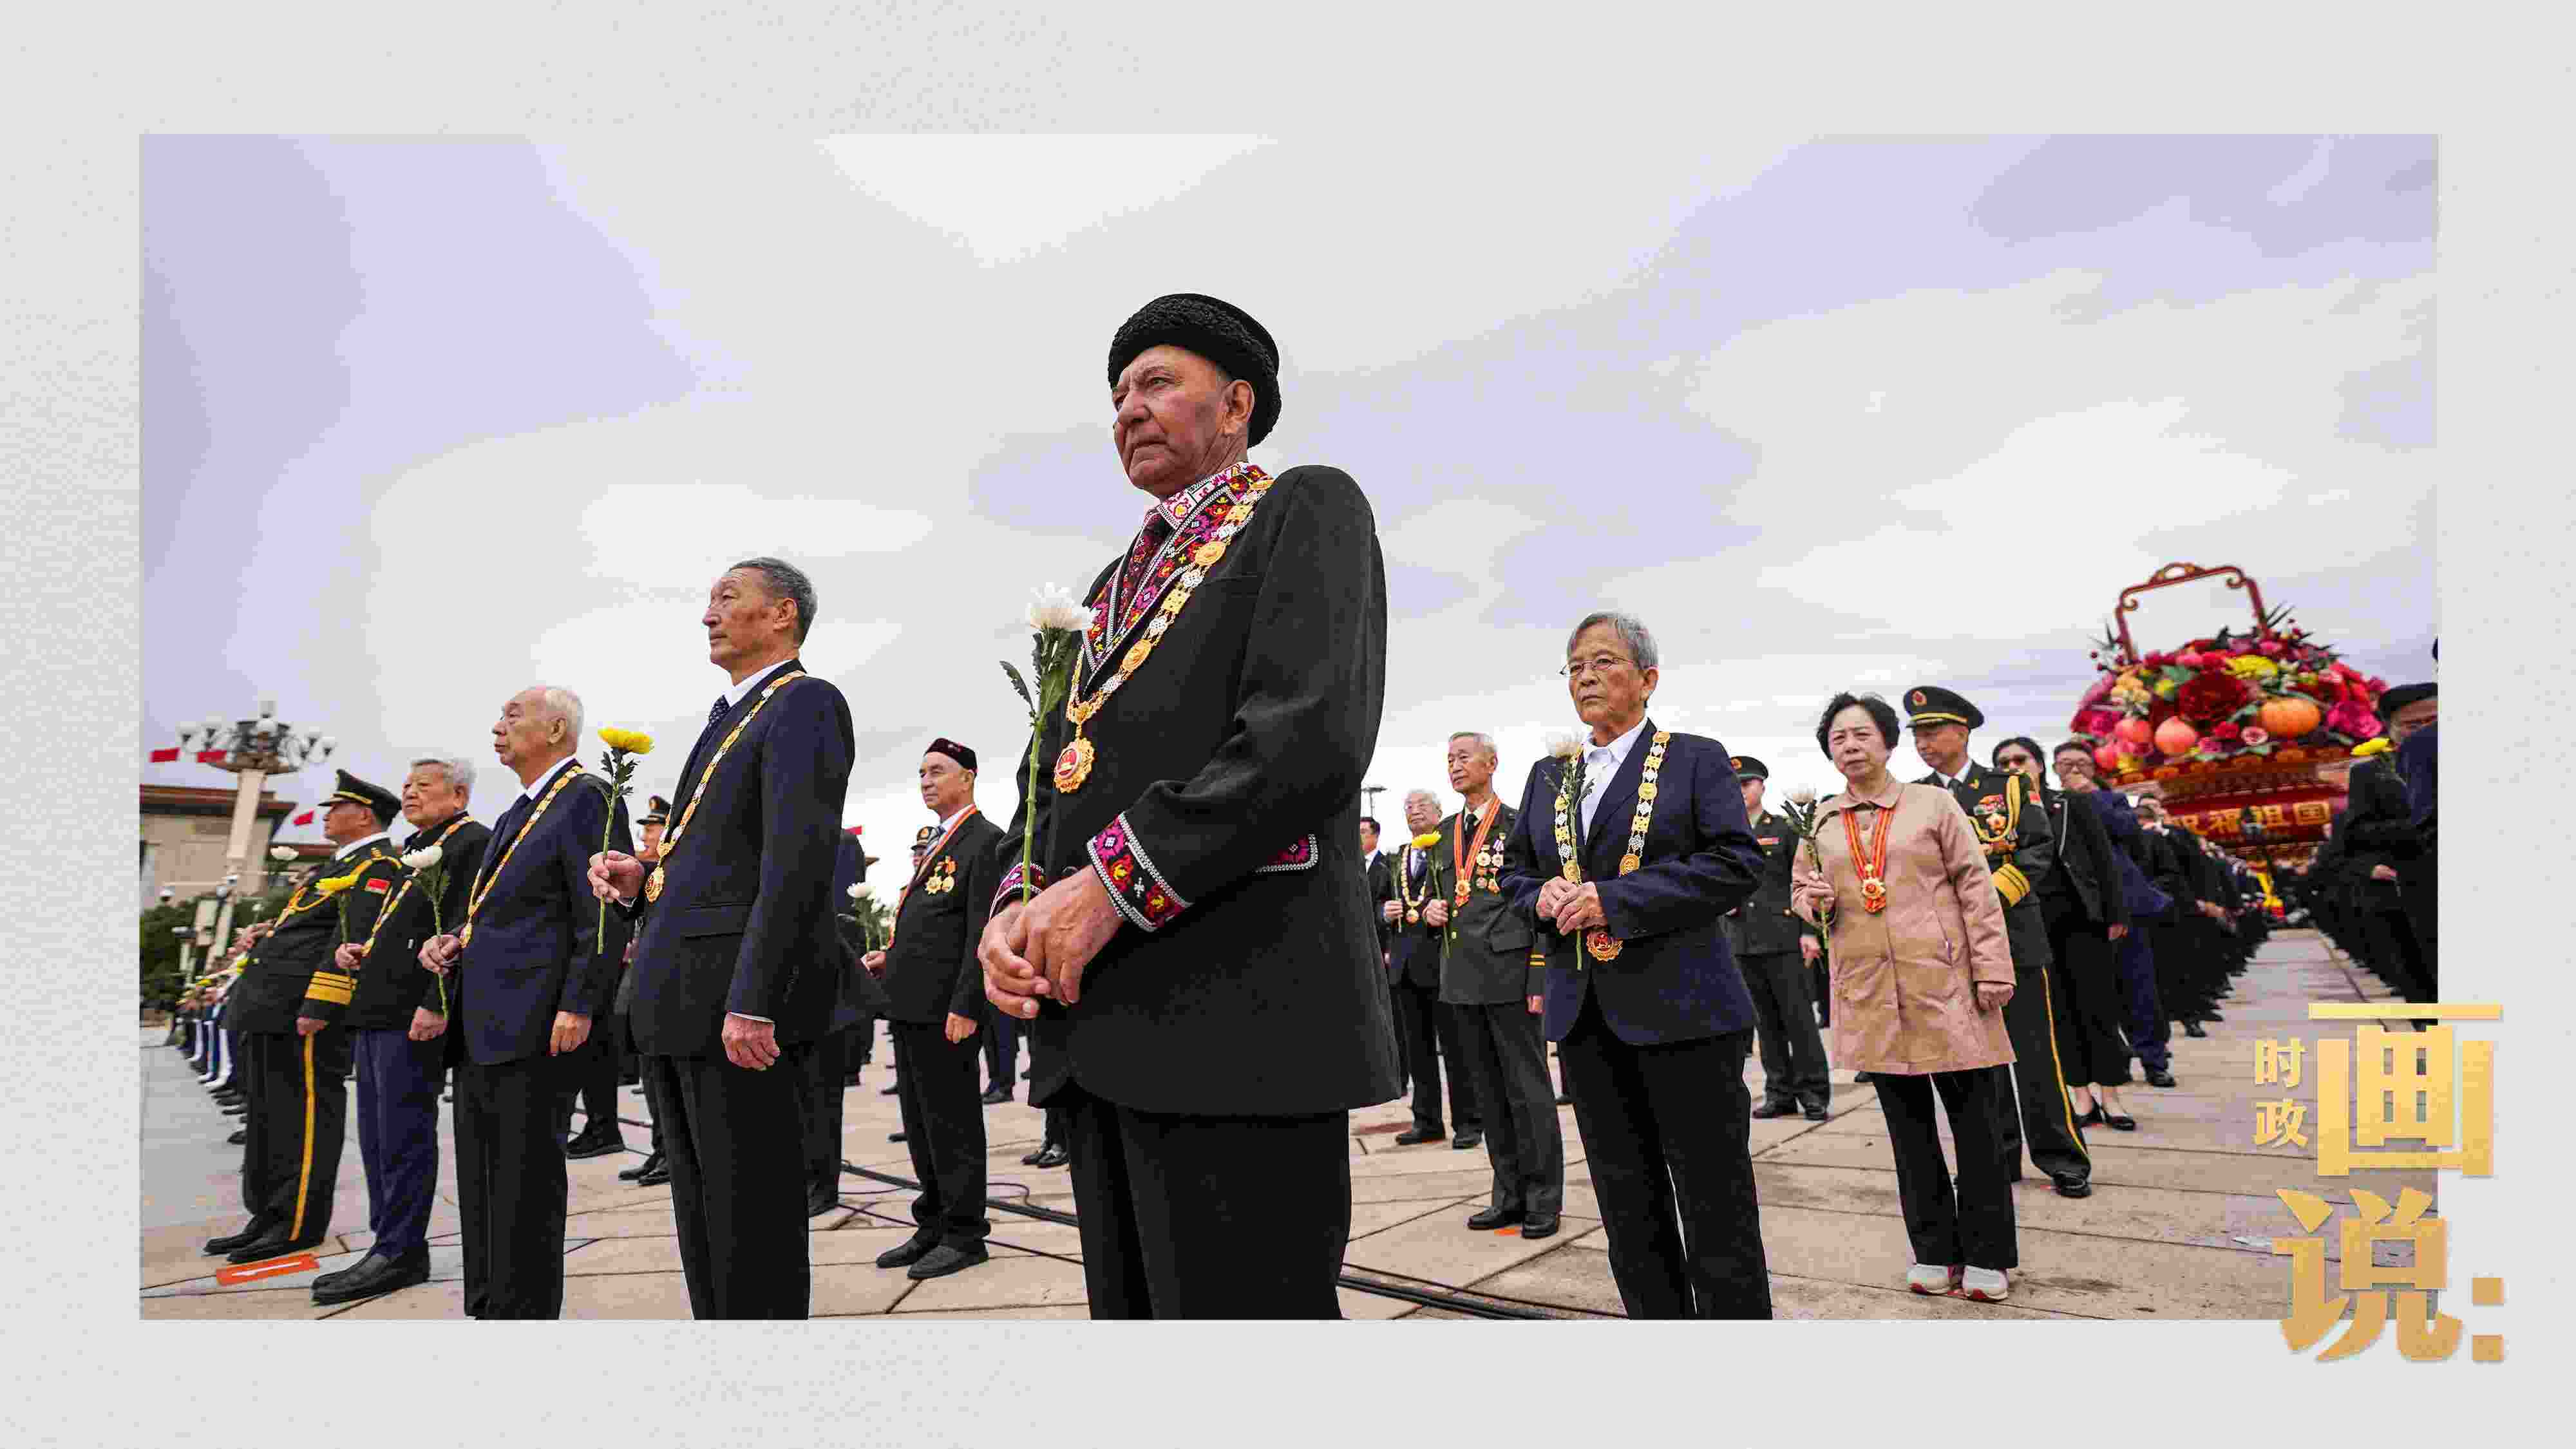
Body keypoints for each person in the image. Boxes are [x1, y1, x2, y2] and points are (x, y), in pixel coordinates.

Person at [979, 292, 1398, 1319]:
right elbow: (1049, 776)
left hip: (1236, 1018)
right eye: (1119, 394)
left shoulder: (1302, 507)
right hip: (1099, 1029)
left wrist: (1107, 888)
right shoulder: (1108, 585)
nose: (1128, 408)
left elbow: (1307, 736)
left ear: (1237, 404)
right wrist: (1017, 906)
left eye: (1157, 382)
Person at [589, 558, 853, 1318]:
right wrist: (642, 880)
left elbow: (795, 864)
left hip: (732, 1008)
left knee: (750, 1222)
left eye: (727, 598)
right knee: (704, 1221)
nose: (708, 614)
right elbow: (720, 859)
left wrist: (755, 1000)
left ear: (782, 614)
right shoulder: (729, 716)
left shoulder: (804, 702)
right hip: (682, 1002)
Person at [1497, 611, 1772, 1318]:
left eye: (1603, 662)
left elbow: (1736, 863)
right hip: (1586, 1017)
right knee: (1626, 1203)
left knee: (1714, 1201)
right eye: (1574, 667)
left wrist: (1614, 900)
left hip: (1685, 1012)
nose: (1585, 678)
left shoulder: (1695, 759)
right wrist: (1540, 895)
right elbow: (1513, 873)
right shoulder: (1549, 775)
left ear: (1648, 679)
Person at [1792, 693, 2021, 1303]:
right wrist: (1812, 902)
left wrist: (1992, 969)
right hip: (1872, 993)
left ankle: (1989, 1256)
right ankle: (1934, 1250)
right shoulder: (1820, 821)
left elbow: (1976, 887)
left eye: (1862, 734)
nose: (1850, 746)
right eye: (1838, 738)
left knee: (1976, 1127)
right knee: (1909, 1133)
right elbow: (1802, 892)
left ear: (1888, 742)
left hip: (1946, 986)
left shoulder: (1933, 804)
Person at [419, 687, 630, 1318]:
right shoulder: (521, 808)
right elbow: (510, 909)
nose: (498, 727)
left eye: (512, 716)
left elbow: (600, 908)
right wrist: (455, 938)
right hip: (485, 1022)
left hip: (535, 1021)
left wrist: (580, 1001)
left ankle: (525, 1312)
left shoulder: (586, 796)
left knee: (524, 1185)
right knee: (483, 1180)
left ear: (557, 729)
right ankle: (490, 1303)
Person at [309, 755, 491, 1307]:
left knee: (403, 1138)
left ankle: (402, 1250)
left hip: (410, 1014)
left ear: (458, 796)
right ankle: (384, 1242)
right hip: (377, 1008)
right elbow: (408, 925)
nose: (410, 793)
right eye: (407, 785)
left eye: (424, 785)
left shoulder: (469, 842)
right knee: (376, 1138)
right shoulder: (416, 846)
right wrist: (364, 950)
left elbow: (461, 929)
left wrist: (437, 1000)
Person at [202, 770, 404, 1265]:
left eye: (337, 808)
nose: (326, 816)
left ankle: (297, 1223)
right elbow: (310, 927)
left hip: (303, 1012)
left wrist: (321, 1005)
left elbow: (350, 938)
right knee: (268, 1117)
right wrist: (267, 932)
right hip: (272, 1008)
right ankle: (267, 1214)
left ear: (364, 816)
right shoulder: (338, 865)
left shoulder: (377, 865)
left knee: (305, 1120)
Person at [1905, 687, 2092, 1198]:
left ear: (1962, 732)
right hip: (1950, 946)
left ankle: (2062, 1157)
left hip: (2013, 936)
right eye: (1917, 734)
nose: (1923, 742)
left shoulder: (2007, 786)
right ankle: (1997, 1159)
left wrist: (1986, 898)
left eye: (1932, 731)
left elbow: (2037, 849)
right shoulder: (1915, 796)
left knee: (2036, 1057)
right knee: (1978, 1061)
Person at [858, 740, 1002, 1279]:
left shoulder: (984, 840)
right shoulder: (939, 840)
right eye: (921, 773)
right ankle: (933, 1223)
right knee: (920, 1124)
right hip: (912, 1006)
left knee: (952, 1124)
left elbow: (980, 930)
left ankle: (965, 1234)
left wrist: (967, 1003)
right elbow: (931, 926)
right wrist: (891, 959)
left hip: (948, 1012)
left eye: (938, 771)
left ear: (968, 777)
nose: (926, 781)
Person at [1428, 732, 1564, 1237]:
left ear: (1492, 763)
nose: (1455, 766)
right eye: (1449, 759)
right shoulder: (1443, 833)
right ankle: (1507, 1195)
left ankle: (1543, 1199)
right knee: (1488, 1095)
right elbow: (1444, 898)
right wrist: (1432, 911)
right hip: (1463, 977)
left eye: (1464, 757)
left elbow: (1538, 902)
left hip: (1512, 975)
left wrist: (1538, 975)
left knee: (1528, 1093)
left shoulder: (1518, 824)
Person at [1993, 736, 2136, 1132]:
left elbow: (2103, 859)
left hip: (2081, 919)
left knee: (2098, 1007)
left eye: (2021, 759)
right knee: (2057, 1013)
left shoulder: (2071, 804)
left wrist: (2115, 912)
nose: (2013, 767)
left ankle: (2112, 1095)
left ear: (2040, 765)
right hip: (2030, 924)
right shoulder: (1998, 814)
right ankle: (2081, 1095)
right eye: (2003, 762)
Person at [2053, 742, 2177, 1090]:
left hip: (2122, 906)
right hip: (2078, 910)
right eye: (2065, 763)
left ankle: (2154, 1060)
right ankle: (2109, 1063)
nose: (2074, 769)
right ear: (2054, 768)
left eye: (2081, 763)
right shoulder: (2051, 803)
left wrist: (2090, 795)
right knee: (2094, 994)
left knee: (2139, 986)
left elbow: (2130, 835)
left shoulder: (2113, 801)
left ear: (2094, 769)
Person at [1723, 755, 1830, 1122]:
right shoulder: (1723, 834)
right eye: (1734, 785)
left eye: (1746, 784)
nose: (1740, 791)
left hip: (1785, 938)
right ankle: (1779, 1092)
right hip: (1742, 940)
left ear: (1762, 786)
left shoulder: (1785, 829)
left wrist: (1809, 932)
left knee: (1799, 1021)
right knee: (1765, 1024)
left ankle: (1813, 1093)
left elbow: (1805, 882)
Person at [1383, 788, 1480, 1148]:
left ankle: (1468, 1121)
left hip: (1441, 961)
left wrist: (1444, 910)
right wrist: (1385, 911)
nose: (1415, 811)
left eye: (1422, 805)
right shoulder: (1399, 856)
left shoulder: (1449, 851)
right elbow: (1381, 899)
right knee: (1418, 1050)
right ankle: (1426, 1120)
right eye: (1408, 807)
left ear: (1439, 812)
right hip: (1406, 964)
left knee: (1456, 1048)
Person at [617, 797, 672, 1186]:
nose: (646, 836)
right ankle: (660, 1149)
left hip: (666, 981)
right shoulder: (646, 872)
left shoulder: (673, 868)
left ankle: (671, 1152)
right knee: (650, 1074)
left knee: (664, 1076)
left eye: (653, 829)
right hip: (642, 978)